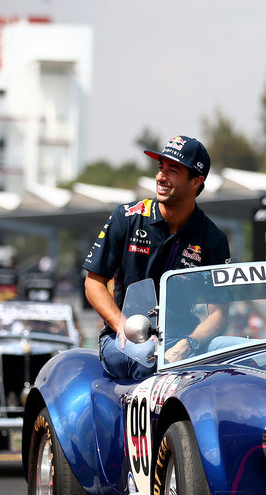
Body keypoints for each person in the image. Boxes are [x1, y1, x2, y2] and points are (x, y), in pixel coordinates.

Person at [83, 135, 230, 380]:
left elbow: (218, 314)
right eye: (160, 168)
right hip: (124, 338)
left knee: (246, 353)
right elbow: (93, 283)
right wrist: (122, 325)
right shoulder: (127, 217)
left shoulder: (213, 238)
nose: (161, 177)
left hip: (183, 339)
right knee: (150, 352)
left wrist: (188, 344)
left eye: (172, 171)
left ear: (196, 181)